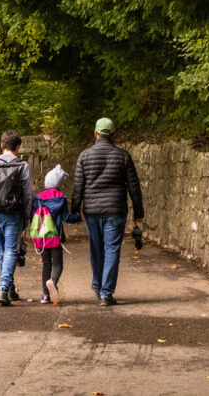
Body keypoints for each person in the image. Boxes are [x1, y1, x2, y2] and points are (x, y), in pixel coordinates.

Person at [70, 117, 144, 306]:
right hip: (116, 210)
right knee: (112, 250)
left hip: (92, 211)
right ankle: (106, 293)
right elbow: (134, 187)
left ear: (95, 134)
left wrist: (75, 210)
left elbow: (78, 186)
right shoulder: (123, 156)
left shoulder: (84, 156)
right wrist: (138, 212)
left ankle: (98, 287)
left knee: (96, 249)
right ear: (113, 135)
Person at [0, 129, 33, 306]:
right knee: (11, 250)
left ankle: (10, 288)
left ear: (1, 145)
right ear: (18, 146)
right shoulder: (22, 166)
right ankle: (4, 288)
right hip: (14, 213)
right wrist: (27, 215)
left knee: (2, 251)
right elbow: (28, 194)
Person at [28, 164, 81, 305]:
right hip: (55, 238)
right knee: (58, 264)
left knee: (46, 264)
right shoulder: (61, 198)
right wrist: (77, 216)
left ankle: (45, 295)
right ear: (59, 185)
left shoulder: (37, 198)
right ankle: (53, 281)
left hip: (41, 238)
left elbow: (32, 216)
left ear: (46, 183)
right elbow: (66, 217)